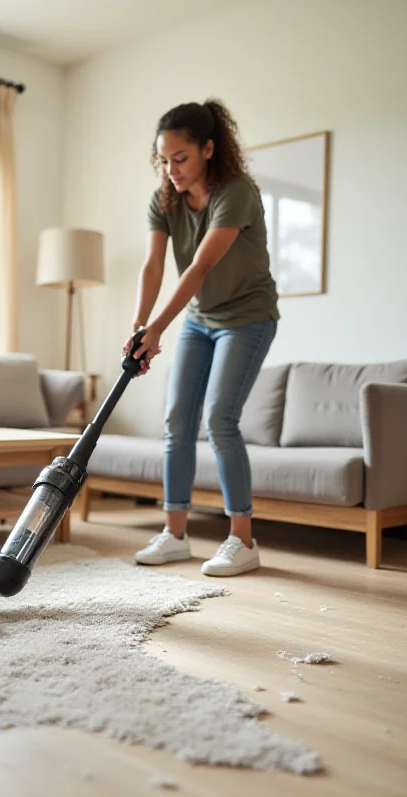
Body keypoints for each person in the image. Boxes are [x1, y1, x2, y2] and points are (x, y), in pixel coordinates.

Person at [122, 98, 279, 577]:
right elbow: (152, 266)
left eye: (181, 158)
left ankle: (243, 540)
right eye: (164, 160)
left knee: (220, 419)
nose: (171, 170)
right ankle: (174, 534)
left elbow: (200, 266)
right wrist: (138, 327)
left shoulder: (236, 192)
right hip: (199, 318)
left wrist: (157, 329)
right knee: (177, 419)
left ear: (209, 149)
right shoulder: (165, 198)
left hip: (247, 317)